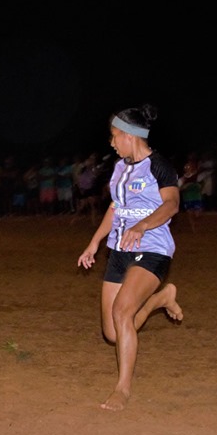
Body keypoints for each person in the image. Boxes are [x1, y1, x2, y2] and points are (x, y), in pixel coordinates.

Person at [77, 104, 184, 412]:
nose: (111, 142)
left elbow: (172, 204)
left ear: (130, 135)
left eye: (114, 136)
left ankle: (122, 390)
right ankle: (159, 301)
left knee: (123, 313)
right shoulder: (120, 167)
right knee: (112, 332)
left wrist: (143, 225)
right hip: (119, 251)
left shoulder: (159, 166)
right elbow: (115, 208)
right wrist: (94, 243)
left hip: (152, 248)